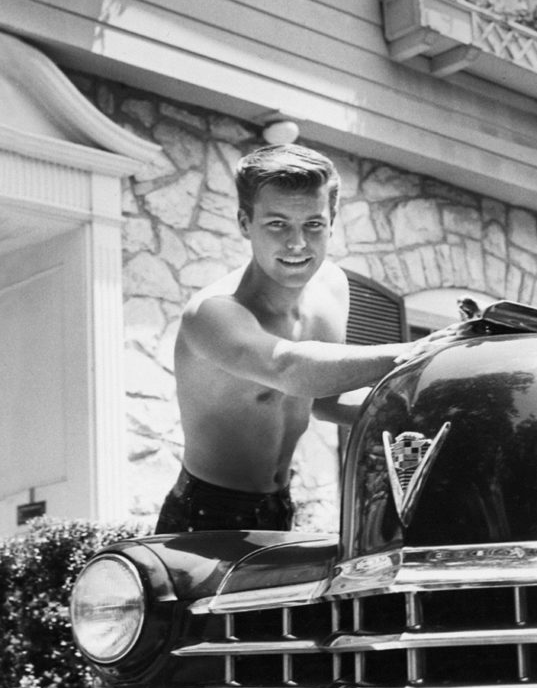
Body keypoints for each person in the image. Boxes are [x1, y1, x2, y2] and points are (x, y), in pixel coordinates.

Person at [155, 142, 460, 534]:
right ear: (245, 223)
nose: (297, 244)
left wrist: (430, 417)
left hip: (280, 508)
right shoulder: (212, 314)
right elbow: (289, 367)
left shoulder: (332, 286)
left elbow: (326, 404)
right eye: (277, 224)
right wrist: (424, 353)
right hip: (204, 518)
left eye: (313, 225)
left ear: (331, 221)